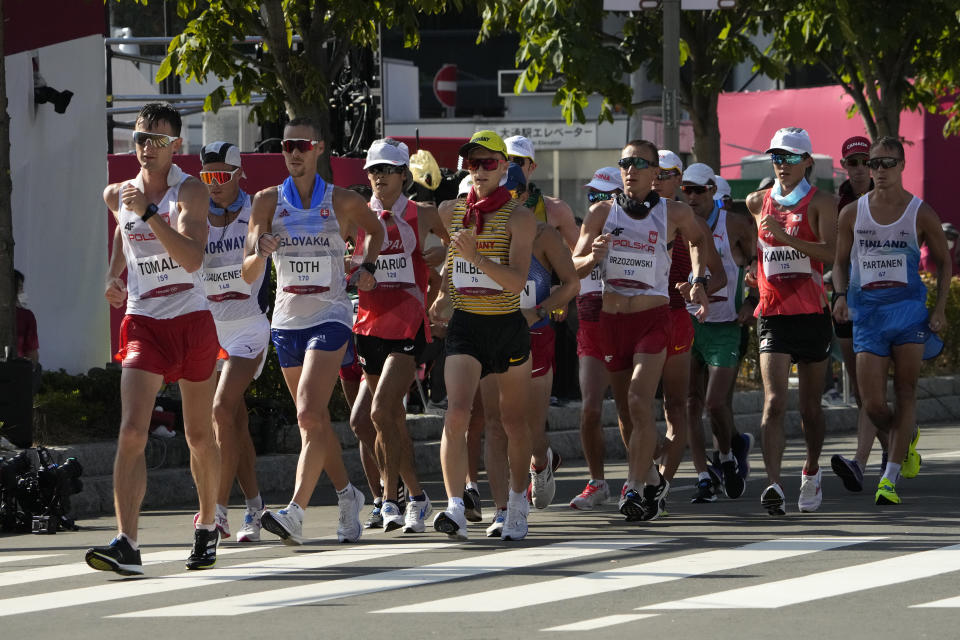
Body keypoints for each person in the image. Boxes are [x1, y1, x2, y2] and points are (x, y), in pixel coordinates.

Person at [86, 102, 222, 575]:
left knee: (199, 434)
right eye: (141, 138)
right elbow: (125, 240)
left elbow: (189, 258)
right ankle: (127, 542)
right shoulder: (116, 195)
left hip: (191, 319)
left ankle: (207, 524)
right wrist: (111, 277)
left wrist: (149, 213)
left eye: (158, 140)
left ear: (175, 146)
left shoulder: (190, 193)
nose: (147, 148)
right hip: (144, 321)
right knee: (131, 432)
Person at [242, 117, 384, 545]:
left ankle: (295, 513)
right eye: (287, 147)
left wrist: (367, 266)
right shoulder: (267, 201)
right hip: (286, 320)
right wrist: (259, 251)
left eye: (303, 145)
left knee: (307, 411)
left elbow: (376, 231)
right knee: (314, 423)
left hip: (331, 315)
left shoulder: (341, 201)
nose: (295, 153)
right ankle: (348, 496)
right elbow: (248, 266)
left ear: (319, 148)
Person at [572, 139, 709, 522]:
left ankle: (631, 487)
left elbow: (699, 240)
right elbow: (574, 264)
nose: (631, 170)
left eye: (639, 164)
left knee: (637, 398)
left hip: (654, 319)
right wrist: (591, 257)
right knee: (628, 414)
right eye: (625, 163)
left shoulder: (673, 213)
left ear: (654, 173)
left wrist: (698, 278)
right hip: (611, 321)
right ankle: (651, 479)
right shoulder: (602, 213)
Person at [430, 130, 537, 541]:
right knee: (457, 412)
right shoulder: (451, 211)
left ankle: (516, 501)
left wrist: (477, 257)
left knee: (512, 422)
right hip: (466, 327)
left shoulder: (520, 217)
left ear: (504, 167)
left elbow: (515, 282)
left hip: (507, 327)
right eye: (473, 163)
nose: (479, 170)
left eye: (488, 163)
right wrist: (442, 295)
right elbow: (454, 262)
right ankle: (456, 505)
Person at [832, 136, 948, 505]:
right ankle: (905, 436)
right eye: (874, 163)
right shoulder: (852, 213)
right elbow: (839, 261)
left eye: (887, 163)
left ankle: (889, 479)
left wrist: (940, 307)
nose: (878, 170)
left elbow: (944, 261)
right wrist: (839, 295)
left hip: (909, 313)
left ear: (901, 166)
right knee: (873, 404)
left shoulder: (920, 211)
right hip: (867, 315)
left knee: (906, 392)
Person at [350, 138, 448, 533]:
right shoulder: (357, 214)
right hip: (368, 322)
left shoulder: (422, 213)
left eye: (388, 170)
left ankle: (390, 500)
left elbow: (456, 248)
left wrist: (441, 280)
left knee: (378, 412)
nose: (379, 177)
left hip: (408, 321)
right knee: (384, 419)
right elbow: (340, 259)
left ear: (404, 175)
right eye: (374, 170)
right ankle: (418, 496)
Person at [745, 127, 837, 515]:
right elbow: (761, 249)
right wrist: (757, 270)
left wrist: (786, 237)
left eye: (789, 157)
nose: (781, 164)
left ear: (807, 162)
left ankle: (811, 472)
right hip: (773, 314)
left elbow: (830, 255)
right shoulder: (756, 201)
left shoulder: (822, 203)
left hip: (812, 315)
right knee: (773, 403)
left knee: (811, 409)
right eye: (776, 157)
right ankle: (774, 485)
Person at [483, 164, 579, 532]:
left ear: (524, 197)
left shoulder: (543, 236)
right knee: (495, 425)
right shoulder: (477, 234)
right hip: (490, 333)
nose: (502, 201)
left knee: (527, 425)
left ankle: (540, 460)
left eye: (510, 194)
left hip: (534, 334)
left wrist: (539, 310)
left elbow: (571, 285)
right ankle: (505, 508)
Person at [198, 141, 270, 542]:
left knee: (222, 411)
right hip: (210, 328)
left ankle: (218, 512)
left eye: (223, 176)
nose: (215, 184)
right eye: (207, 176)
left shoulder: (255, 211)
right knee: (234, 425)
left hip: (248, 326)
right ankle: (255, 507)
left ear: (240, 174)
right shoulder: (193, 215)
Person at [650, 152, 726, 503]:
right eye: (653, 171)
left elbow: (720, 275)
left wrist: (698, 287)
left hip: (676, 319)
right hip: (633, 319)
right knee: (630, 402)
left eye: (666, 174)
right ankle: (648, 470)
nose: (656, 179)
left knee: (677, 406)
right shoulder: (621, 212)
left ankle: (664, 483)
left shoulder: (687, 221)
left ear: (678, 180)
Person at [678, 164, 756, 503]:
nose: (691, 196)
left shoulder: (735, 223)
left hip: (726, 325)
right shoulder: (678, 223)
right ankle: (708, 473)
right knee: (692, 403)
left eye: (697, 190)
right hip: (690, 323)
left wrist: (752, 301)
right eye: (686, 190)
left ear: (712, 189)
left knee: (716, 402)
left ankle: (726, 453)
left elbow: (757, 265)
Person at [829, 136, 887, 492]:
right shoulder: (839, 206)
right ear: (844, 167)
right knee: (864, 390)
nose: (861, 169)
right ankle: (896, 445)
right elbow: (835, 257)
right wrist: (838, 293)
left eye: (867, 161)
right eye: (853, 163)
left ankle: (864, 461)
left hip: (890, 304)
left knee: (875, 389)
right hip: (849, 302)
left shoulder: (894, 200)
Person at [568, 167, 622, 510]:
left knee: (632, 408)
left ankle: (644, 474)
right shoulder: (586, 230)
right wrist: (593, 257)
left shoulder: (639, 226)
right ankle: (597, 482)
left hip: (625, 322)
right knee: (589, 409)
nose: (597, 202)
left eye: (604, 196)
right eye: (592, 196)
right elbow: (571, 268)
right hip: (591, 324)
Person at [505, 135, 579, 250]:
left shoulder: (556, 209)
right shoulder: (483, 205)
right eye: (506, 159)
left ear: (532, 167)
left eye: (518, 161)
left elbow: (580, 255)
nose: (510, 166)